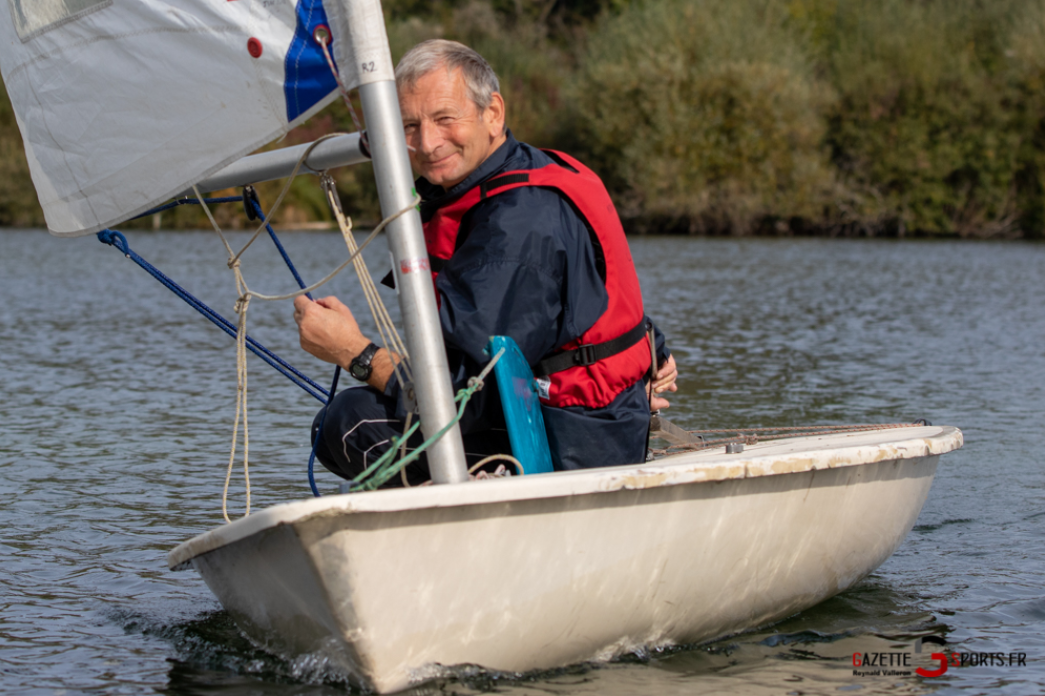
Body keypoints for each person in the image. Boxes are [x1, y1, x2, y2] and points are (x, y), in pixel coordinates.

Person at [294, 39, 678, 485]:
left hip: (575, 447)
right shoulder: (527, 172)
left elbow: (464, 400)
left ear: (493, 113)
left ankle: (466, 539)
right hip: (598, 414)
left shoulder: (518, 222)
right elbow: (587, 301)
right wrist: (654, 356)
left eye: (444, 119)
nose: (428, 142)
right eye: (409, 126)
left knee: (346, 422)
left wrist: (355, 354)